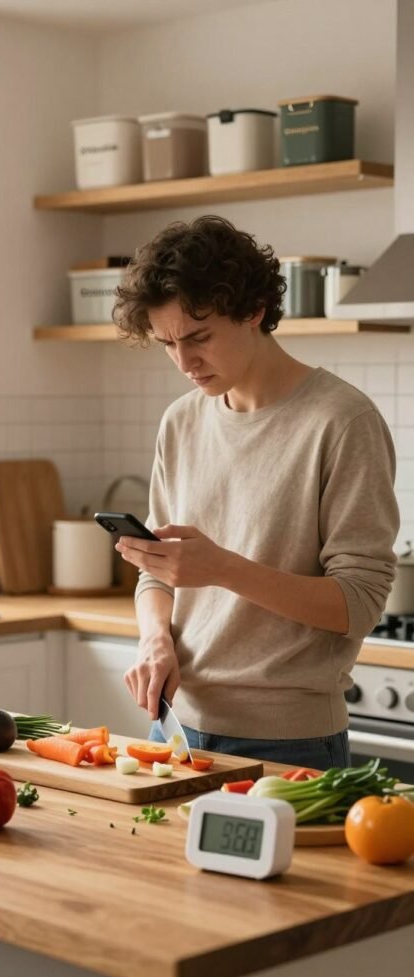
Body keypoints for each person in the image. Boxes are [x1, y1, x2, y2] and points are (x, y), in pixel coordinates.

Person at [112, 215, 399, 770]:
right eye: (167, 343)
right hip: (175, 728)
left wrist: (221, 567)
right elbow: (157, 571)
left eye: (198, 337)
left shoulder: (341, 420)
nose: (184, 362)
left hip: (290, 743)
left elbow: (359, 603)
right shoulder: (181, 421)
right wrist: (154, 639)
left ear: (254, 311)